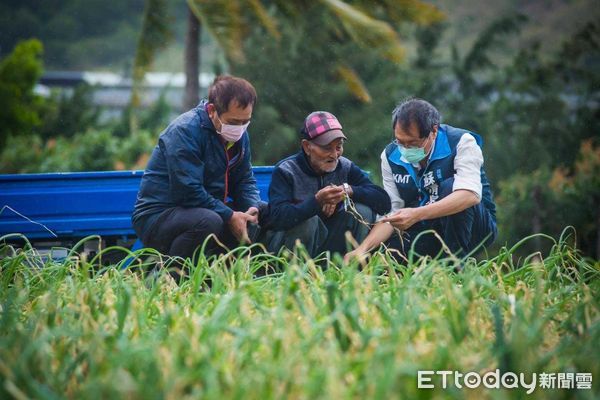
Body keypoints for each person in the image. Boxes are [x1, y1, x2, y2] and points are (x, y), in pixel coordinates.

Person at [132, 75, 263, 264]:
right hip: (158, 215)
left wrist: (253, 207)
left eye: (246, 122)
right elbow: (188, 191)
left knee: (262, 214)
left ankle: (230, 281)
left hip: (204, 209)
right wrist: (229, 215)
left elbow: (244, 180)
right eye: (234, 122)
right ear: (212, 111)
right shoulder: (184, 131)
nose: (240, 129)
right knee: (209, 221)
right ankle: (169, 277)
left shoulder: (240, 135)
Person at [345, 98, 497, 261]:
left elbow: (469, 195)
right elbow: (392, 213)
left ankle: (457, 267)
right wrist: (362, 249)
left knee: (450, 188)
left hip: (475, 226)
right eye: (400, 142)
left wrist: (417, 214)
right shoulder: (390, 156)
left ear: (434, 131)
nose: (405, 149)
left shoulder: (461, 142)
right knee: (385, 257)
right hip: (427, 229)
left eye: (412, 143)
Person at [263, 111, 391, 257]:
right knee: (308, 221)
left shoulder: (345, 166)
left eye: (339, 147)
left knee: (362, 210)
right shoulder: (286, 171)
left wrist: (348, 191)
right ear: (306, 147)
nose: (334, 154)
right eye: (326, 148)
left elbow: (384, 203)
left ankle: (348, 268)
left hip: (328, 244)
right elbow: (277, 218)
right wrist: (316, 202)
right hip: (290, 248)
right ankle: (296, 274)